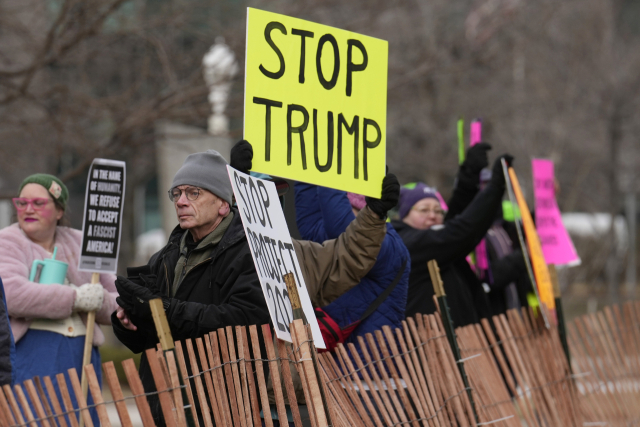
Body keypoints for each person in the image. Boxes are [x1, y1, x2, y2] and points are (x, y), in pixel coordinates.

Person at [230, 140, 397, 427]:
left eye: (278, 193)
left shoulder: (297, 253)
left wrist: (373, 215)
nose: (273, 203)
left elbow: (345, 260)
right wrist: (237, 195)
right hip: (231, 403)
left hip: (294, 408)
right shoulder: (219, 253)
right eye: (264, 193)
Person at [112, 150, 272, 426]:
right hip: (164, 402)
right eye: (177, 193)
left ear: (223, 204)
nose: (181, 202)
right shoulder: (164, 256)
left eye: (194, 193)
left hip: (223, 405)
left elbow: (245, 320)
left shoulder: (249, 253)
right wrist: (129, 322)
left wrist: (166, 310)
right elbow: (149, 341)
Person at [0, 174, 118, 424]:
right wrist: (76, 298)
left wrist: (101, 301)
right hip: (32, 354)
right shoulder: (5, 242)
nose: (28, 209)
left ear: (59, 210)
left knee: (83, 420)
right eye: (22, 203)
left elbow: (116, 299)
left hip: (82, 355)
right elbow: (11, 294)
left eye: (38, 203)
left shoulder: (82, 242)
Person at [392, 145, 513, 327]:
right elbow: (460, 231)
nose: (432, 215)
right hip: (431, 347)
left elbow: (455, 218)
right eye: (423, 210)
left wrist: (469, 175)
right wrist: (494, 188)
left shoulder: (439, 242)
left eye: (437, 210)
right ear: (404, 215)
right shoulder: (407, 244)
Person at [294, 180, 409, 351]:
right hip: (335, 366)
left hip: (371, 368)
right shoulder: (330, 238)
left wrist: (331, 171)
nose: (357, 224)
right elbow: (310, 220)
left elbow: (342, 227)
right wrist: (308, 169)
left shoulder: (390, 245)